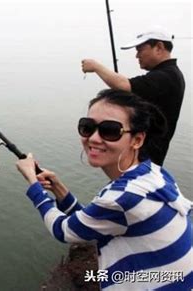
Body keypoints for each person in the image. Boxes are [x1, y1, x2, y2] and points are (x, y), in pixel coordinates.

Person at [16, 89, 192, 290]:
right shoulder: (154, 174)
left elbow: (63, 230)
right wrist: (58, 189)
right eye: (87, 127)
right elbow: (93, 221)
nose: (94, 138)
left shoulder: (123, 198)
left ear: (137, 140)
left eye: (109, 130)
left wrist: (32, 181)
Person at [81, 27, 185, 166]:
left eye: (140, 50)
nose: (137, 56)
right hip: (146, 154)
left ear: (159, 47)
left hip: (146, 156)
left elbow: (124, 85)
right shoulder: (167, 75)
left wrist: (95, 66)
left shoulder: (166, 76)